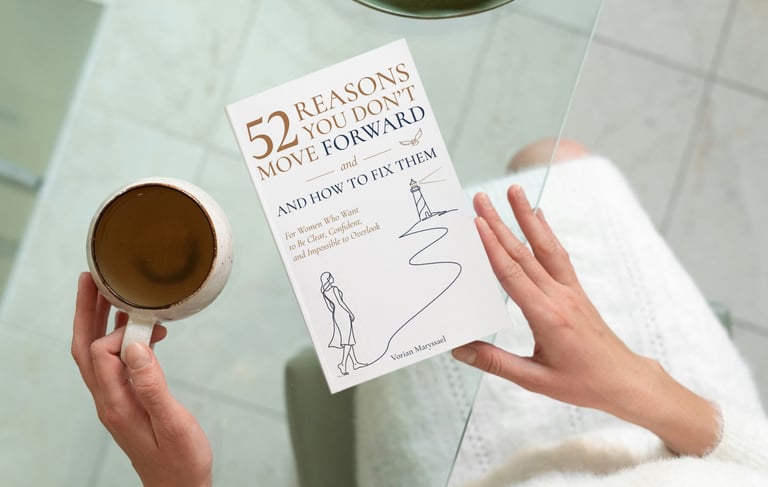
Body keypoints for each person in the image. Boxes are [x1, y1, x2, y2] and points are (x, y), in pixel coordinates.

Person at [72, 141, 768, 486]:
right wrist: (633, 382)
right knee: (556, 158)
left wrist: (180, 483)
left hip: (482, 471)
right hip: (691, 439)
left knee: (389, 273)